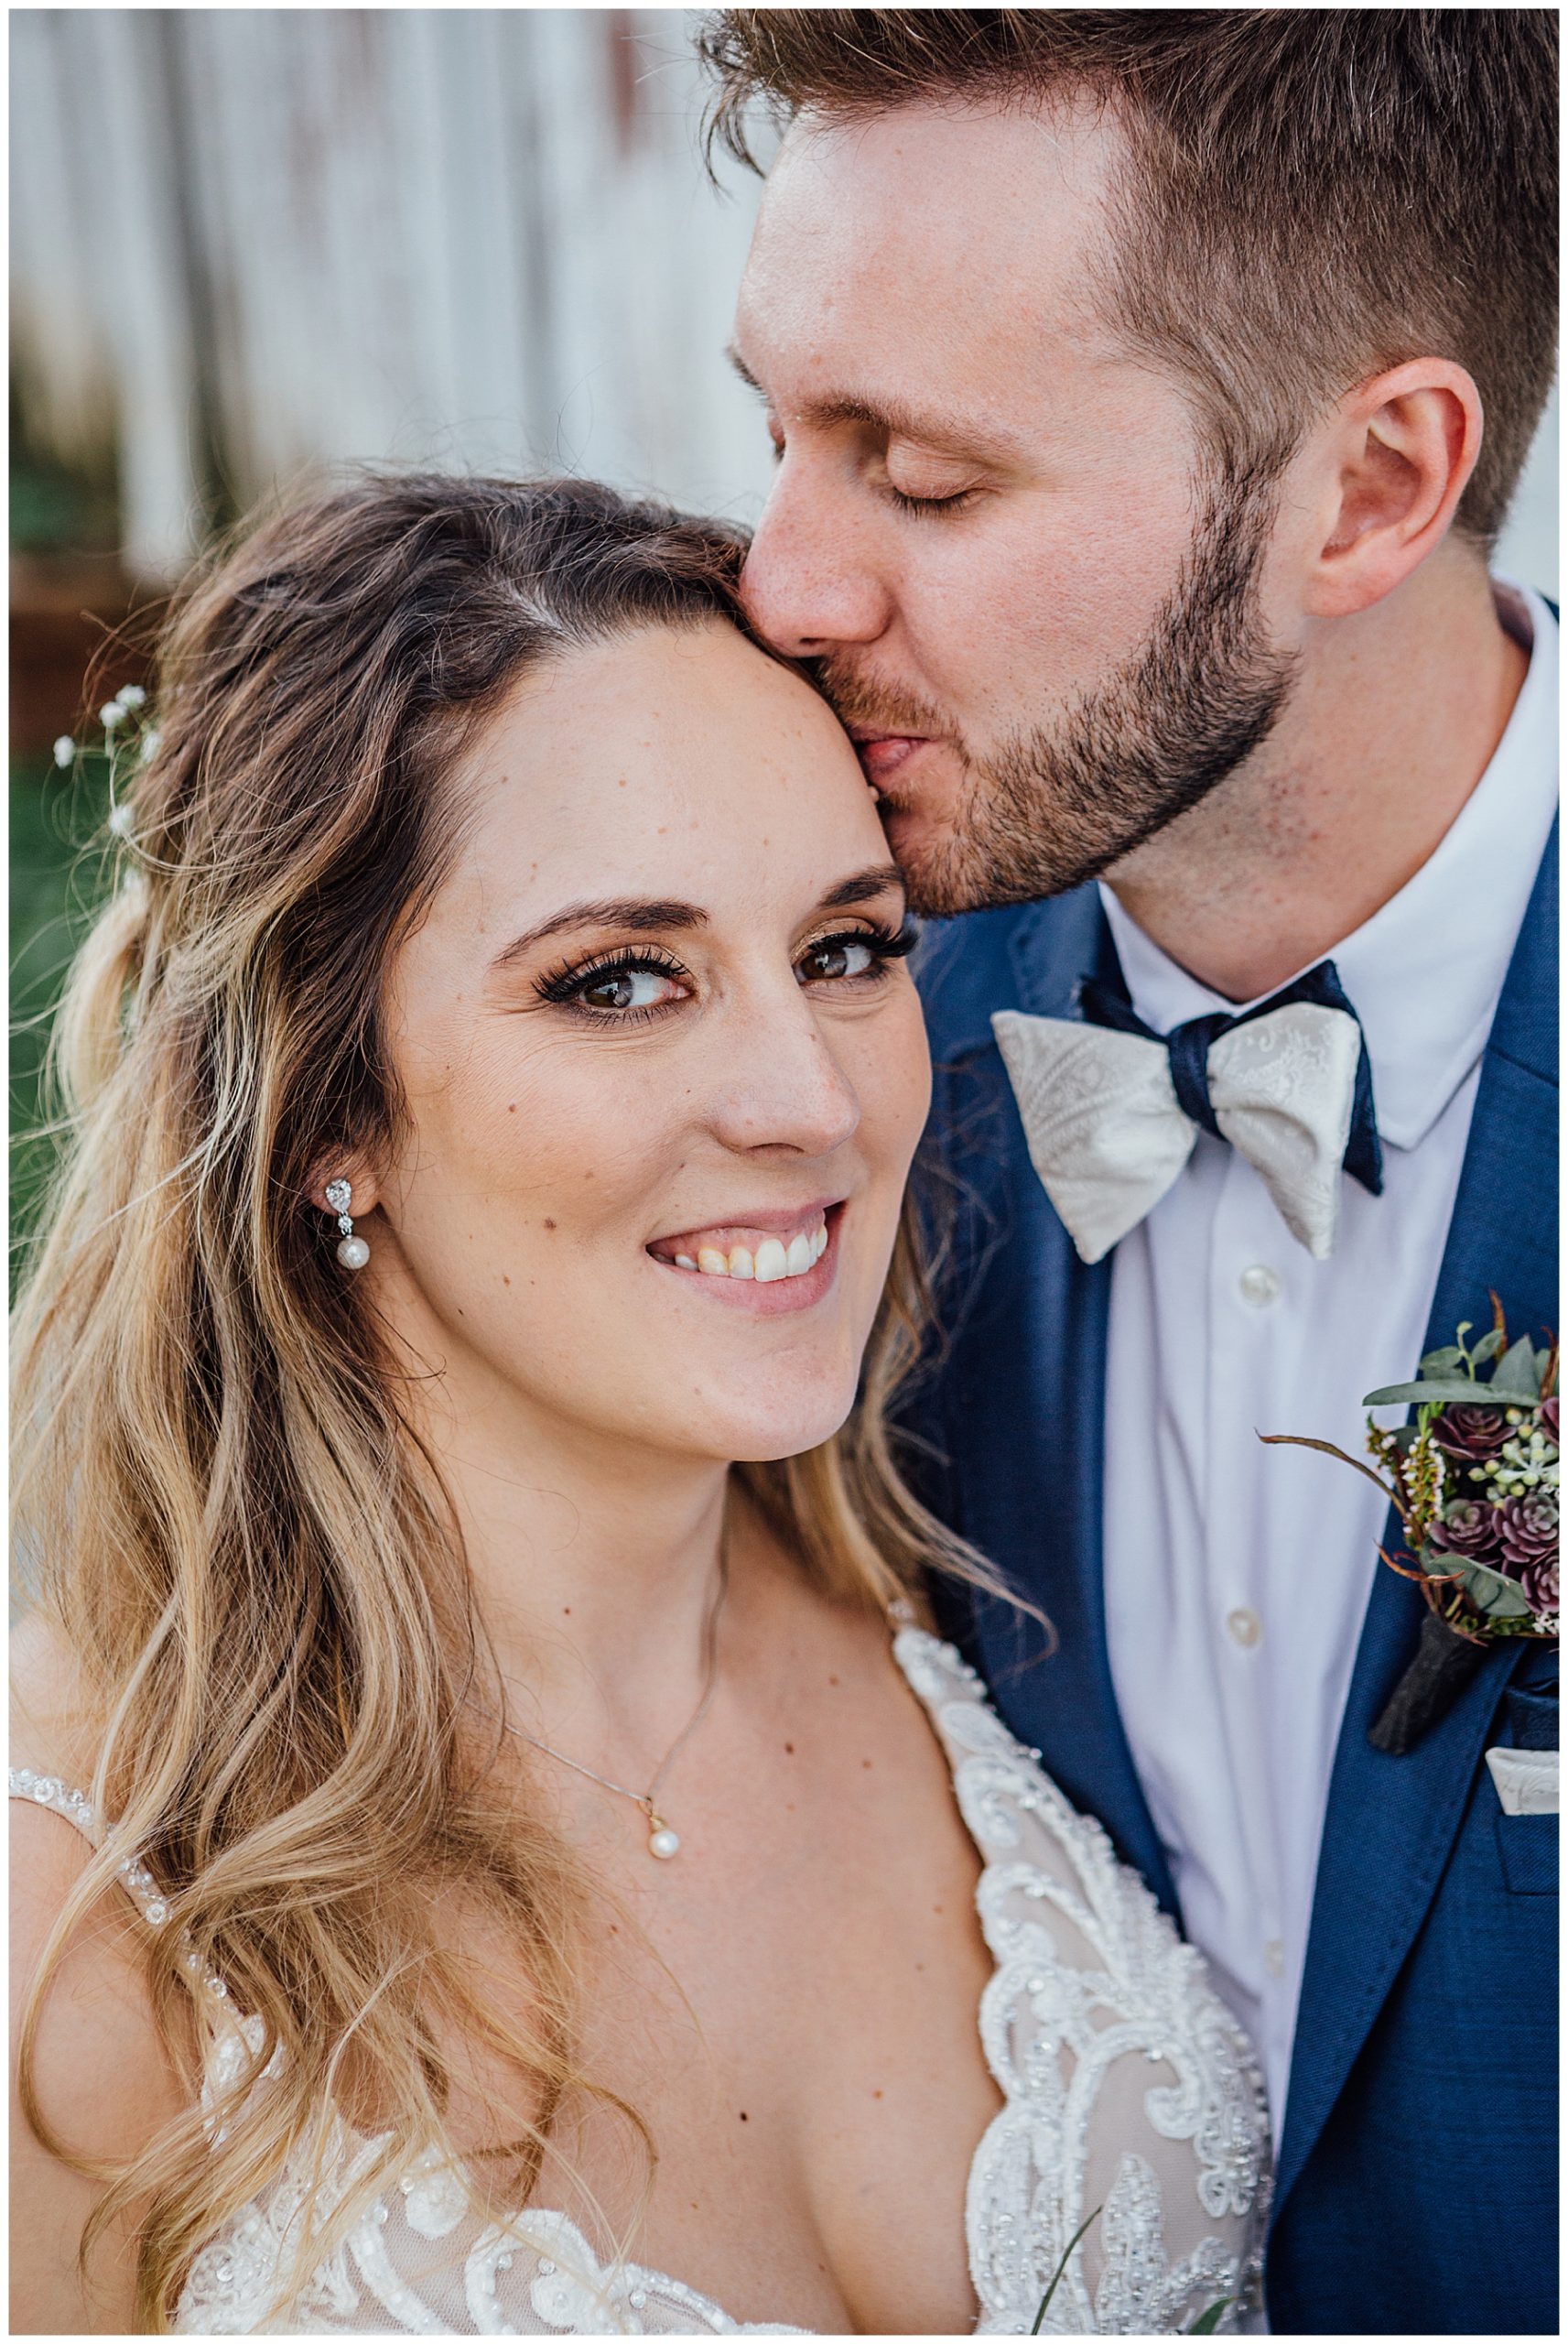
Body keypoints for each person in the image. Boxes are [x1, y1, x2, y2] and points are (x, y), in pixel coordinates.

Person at [9, 474, 1268, 2336]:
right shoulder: (64, 1907)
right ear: (323, 1113)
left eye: (844, 948)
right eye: (618, 979)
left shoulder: (976, 1601)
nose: (808, 1102)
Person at [704, 8, 1558, 2333]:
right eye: (774, 429)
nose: (780, 581)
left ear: (1371, 486)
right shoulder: (792, 1087)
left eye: (925, 479)